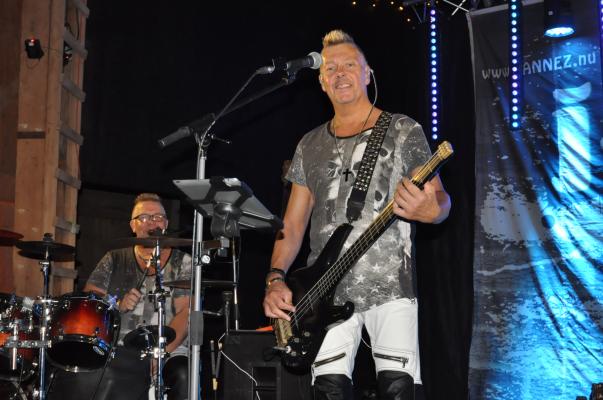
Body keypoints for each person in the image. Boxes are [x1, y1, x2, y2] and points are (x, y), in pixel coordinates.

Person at [263, 30, 451, 400]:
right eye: (330, 68)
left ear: (367, 74)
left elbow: (440, 200)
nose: (340, 73)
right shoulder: (309, 144)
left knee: (398, 388)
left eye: (350, 64)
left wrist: (431, 210)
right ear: (321, 81)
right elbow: (293, 224)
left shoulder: (402, 129)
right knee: (328, 390)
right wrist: (275, 278)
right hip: (321, 292)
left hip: (390, 283)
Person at [48, 193, 191, 400]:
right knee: (87, 372)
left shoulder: (183, 262)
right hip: (119, 344)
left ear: (166, 224)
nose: (152, 222)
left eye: (158, 217)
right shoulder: (114, 259)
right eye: (144, 217)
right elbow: (91, 300)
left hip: (169, 347)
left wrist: (160, 352)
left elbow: (186, 312)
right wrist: (117, 303)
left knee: (183, 373)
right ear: (133, 225)